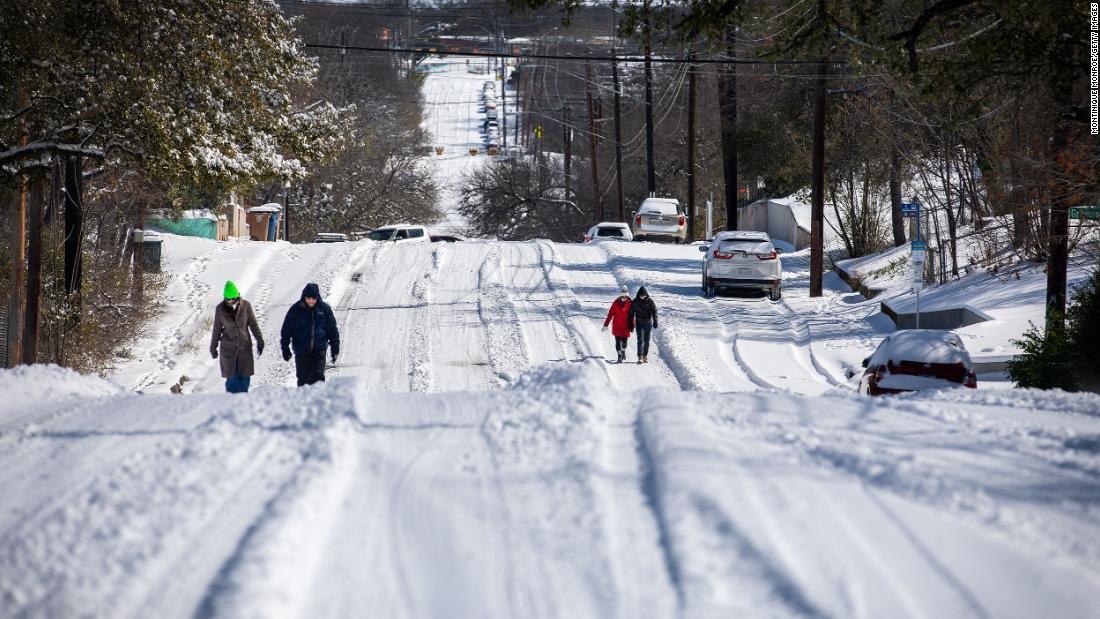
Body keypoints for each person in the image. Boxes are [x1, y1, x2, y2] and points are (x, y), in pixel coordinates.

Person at [280, 282, 340, 386]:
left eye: (313, 298)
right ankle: (303, 401)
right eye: (308, 298)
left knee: (318, 377)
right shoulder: (296, 310)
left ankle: (318, 400)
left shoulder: (324, 309)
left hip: (319, 350)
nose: (310, 301)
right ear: (304, 297)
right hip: (301, 351)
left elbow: (332, 331)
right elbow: (286, 330)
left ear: (317, 298)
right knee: (303, 379)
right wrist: (285, 348)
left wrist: (335, 349)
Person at [210, 280, 263, 393]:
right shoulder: (220, 309)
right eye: (227, 299)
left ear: (237, 296)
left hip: (245, 349)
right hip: (228, 351)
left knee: (244, 381)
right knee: (232, 383)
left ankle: (243, 407)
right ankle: (232, 406)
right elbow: (217, 330)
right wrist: (213, 347)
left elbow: (253, 324)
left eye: (232, 298)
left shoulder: (246, 306)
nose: (230, 301)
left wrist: (260, 341)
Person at [602, 285, 633, 363]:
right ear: (620, 296)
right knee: (618, 342)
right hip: (617, 326)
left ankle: (623, 351)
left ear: (627, 296)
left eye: (625, 297)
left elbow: (632, 316)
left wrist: (632, 325)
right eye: (622, 296)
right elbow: (610, 314)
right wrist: (606, 325)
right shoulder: (615, 303)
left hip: (626, 326)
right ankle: (619, 356)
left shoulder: (630, 303)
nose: (624, 298)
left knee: (624, 343)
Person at [628, 286, 658, 364]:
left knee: (647, 340)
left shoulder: (650, 301)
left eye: (644, 295)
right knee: (640, 340)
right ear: (638, 295)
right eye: (641, 295)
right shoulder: (635, 302)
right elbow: (630, 313)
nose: (642, 297)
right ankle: (640, 357)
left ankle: (645, 356)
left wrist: (655, 321)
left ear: (646, 295)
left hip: (648, 323)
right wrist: (630, 324)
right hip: (639, 322)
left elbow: (654, 311)